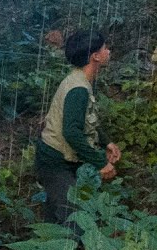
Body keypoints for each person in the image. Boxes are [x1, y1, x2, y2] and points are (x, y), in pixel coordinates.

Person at [34, 30, 121, 224]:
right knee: (74, 219)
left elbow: (85, 120)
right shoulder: (78, 89)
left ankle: (50, 249)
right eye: (105, 48)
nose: (108, 51)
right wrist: (101, 162)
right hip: (55, 161)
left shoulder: (79, 79)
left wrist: (107, 142)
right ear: (95, 57)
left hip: (59, 159)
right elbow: (72, 132)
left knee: (60, 214)